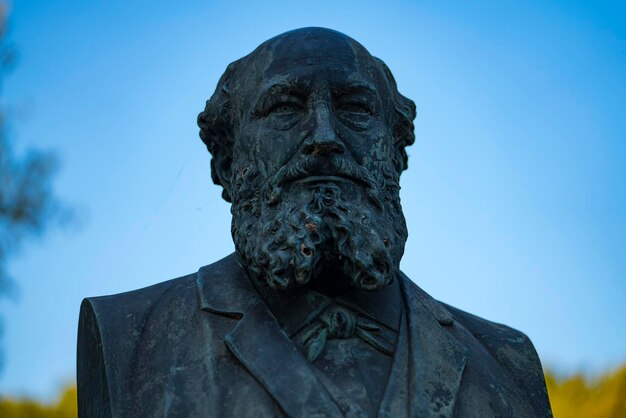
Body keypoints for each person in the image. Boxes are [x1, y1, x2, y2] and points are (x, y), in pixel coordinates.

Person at [77, 27, 552, 418]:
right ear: (226, 162)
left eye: (356, 109)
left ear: (396, 152)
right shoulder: (130, 338)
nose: (324, 136)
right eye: (285, 108)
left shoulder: (508, 362)